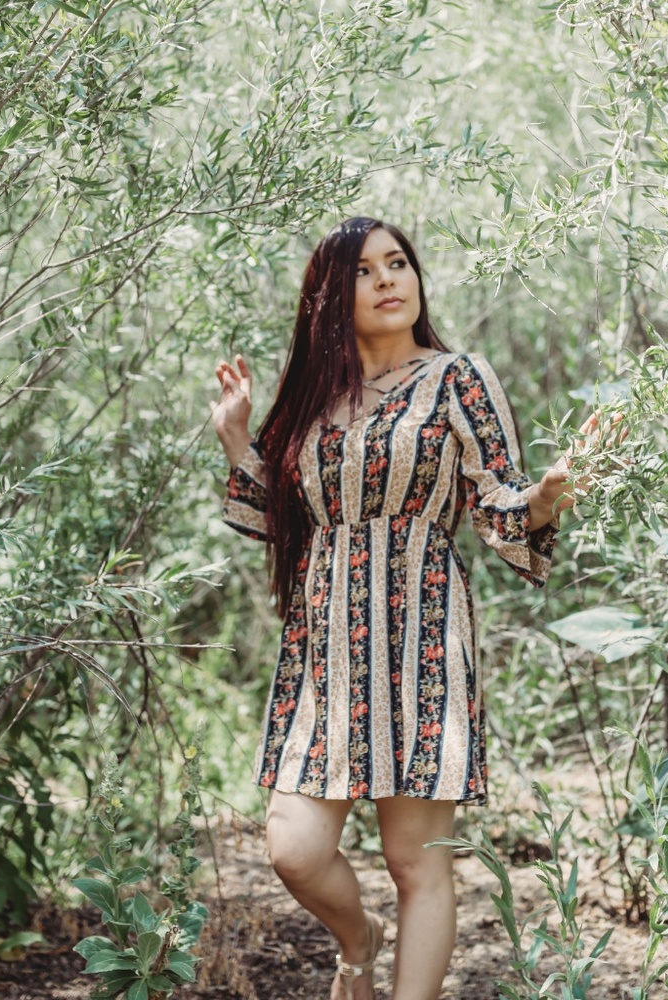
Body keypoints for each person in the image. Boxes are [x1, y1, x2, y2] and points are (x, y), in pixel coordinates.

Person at [210, 217, 622, 1000]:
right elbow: (284, 524)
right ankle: (358, 942)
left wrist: (544, 496)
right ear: (329, 296)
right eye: (365, 271)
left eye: (398, 263)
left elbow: (498, 505)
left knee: (415, 863)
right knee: (293, 849)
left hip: (424, 637)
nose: (389, 280)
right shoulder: (311, 396)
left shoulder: (459, 378)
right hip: (322, 646)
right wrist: (239, 446)